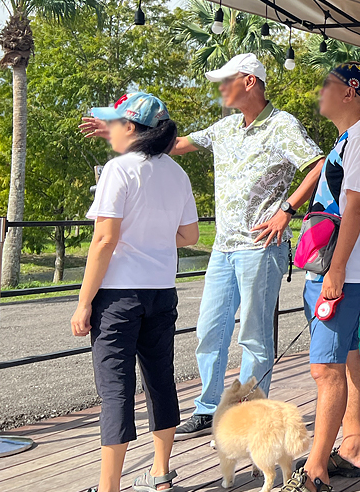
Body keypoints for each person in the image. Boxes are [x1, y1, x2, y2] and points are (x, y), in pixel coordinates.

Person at [80, 53, 324, 438]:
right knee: (209, 330)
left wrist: (287, 210)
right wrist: (117, 132)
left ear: (249, 81)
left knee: (254, 337)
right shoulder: (225, 127)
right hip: (223, 249)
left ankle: (251, 416)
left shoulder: (282, 125)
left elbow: (319, 164)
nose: (221, 88)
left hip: (261, 246)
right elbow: (171, 144)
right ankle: (209, 408)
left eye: (226, 81)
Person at [58, 92, 199, 492]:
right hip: (162, 291)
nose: (109, 131)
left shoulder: (119, 170)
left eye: (115, 124)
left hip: (118, 296)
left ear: (132, 128)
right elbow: (189, 236)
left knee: (116, 390)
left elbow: (104, 240)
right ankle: (160, 474)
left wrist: (83, 303)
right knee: (160, 380)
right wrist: (152, 236)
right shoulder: (176, 172)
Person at [264, 62, 360, 492]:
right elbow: (333, 187)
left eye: (327, 85)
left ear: (351, 91)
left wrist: (335, 272)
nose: (320, 93)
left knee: (324, 371)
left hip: (343, 272)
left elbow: (354, 209)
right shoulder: (349, 138)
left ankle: (315, 474)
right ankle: (351, 447)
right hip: (336, 269)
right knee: (347, 357)